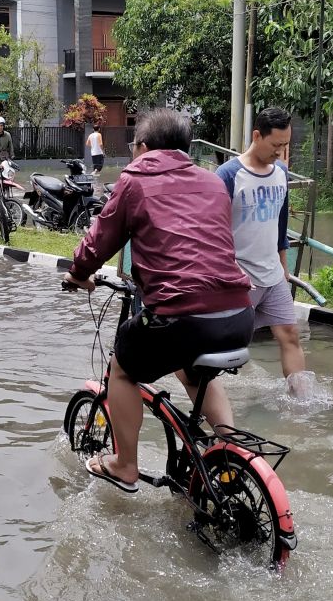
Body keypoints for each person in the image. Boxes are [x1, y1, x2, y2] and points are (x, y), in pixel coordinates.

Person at [63, 108, 254, 494]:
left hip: (180, 316)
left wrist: (78, 275)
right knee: (193, 372)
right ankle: (229, 454)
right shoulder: (214, 182)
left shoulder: (135, 179)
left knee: (122, 368)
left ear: (144, 148)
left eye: (134, 147)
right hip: (238, 314)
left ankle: (125, 465)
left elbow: (98, 242)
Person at [214, 107, 309, 393]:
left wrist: (284, 267)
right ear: (257, 136)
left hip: (272, 274)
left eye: (285, 145)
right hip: (239, 278)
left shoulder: (281, 172)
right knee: (226, 345)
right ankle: (212, 403)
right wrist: (230, 272)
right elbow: (214, 231)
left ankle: (302, 402)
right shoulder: (228, 175)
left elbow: (280, 225)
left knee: (290, 334)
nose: (280, 152)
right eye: (275, 145)